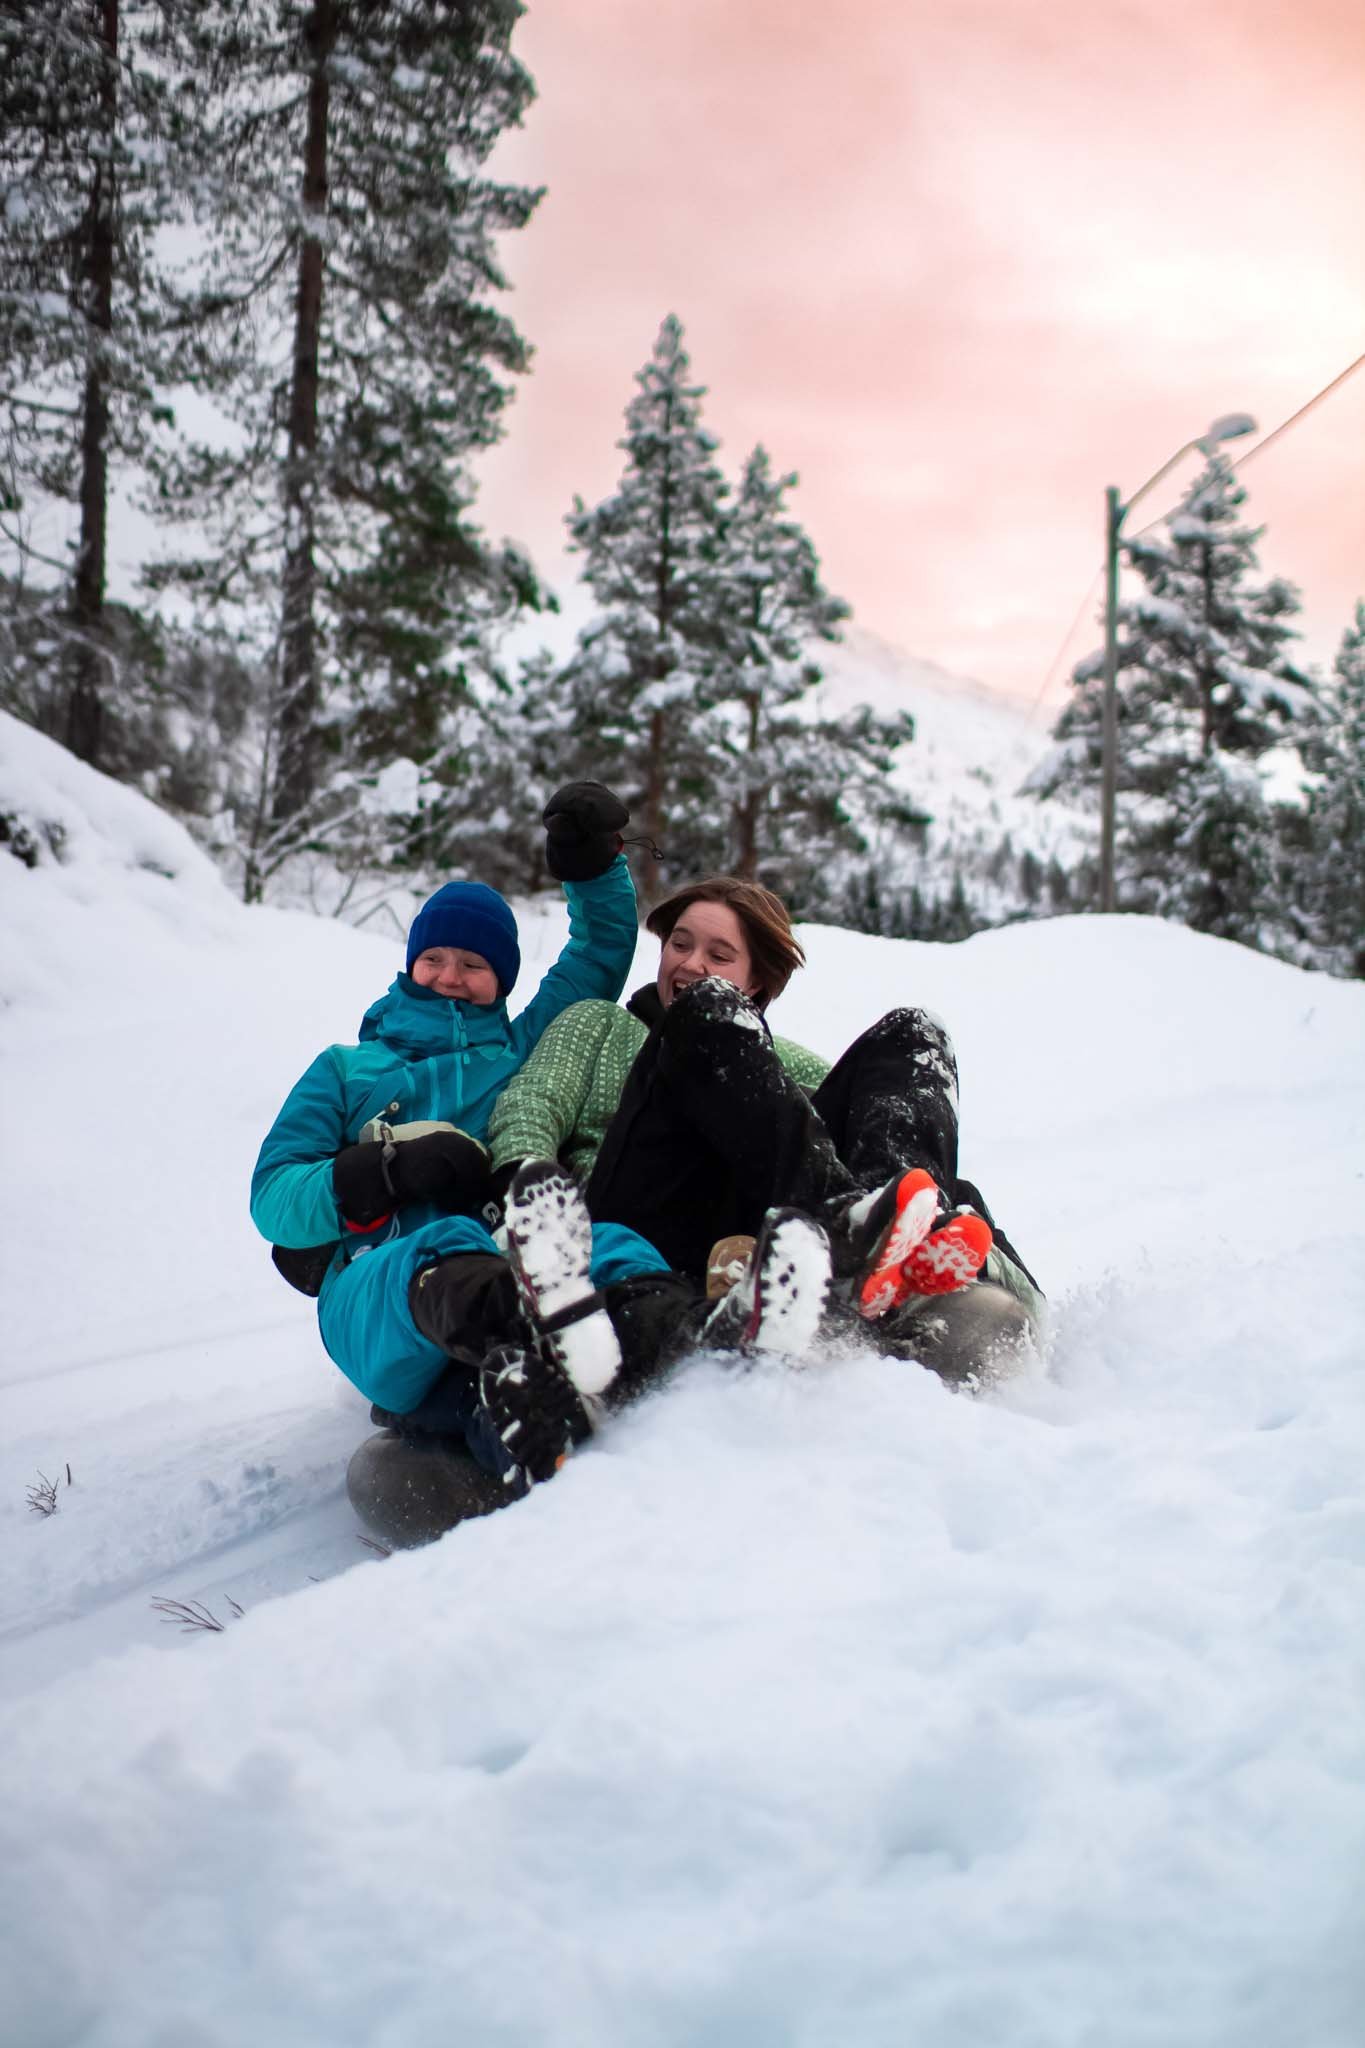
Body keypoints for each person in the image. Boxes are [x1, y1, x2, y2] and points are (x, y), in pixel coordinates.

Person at [250, 783, 664, 1470]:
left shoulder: (522, 1049)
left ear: (500, 980)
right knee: (443, 1244)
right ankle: (542, 1333)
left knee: (611, 1243)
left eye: (474, 965)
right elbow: (274, 1197)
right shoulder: (347, 1070)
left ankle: (668, 1346)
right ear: (411, 961)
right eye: (435, 958)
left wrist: (592, 866)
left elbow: (596, 953)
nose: (451, 975)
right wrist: (377, 1171)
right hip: (375, 1296)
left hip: (507, 1265)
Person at [487, 876, 1043, 1353]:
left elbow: (867, 1119)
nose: (690, 962)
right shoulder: (597, 1024)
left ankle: (898, 1246)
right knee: (704, 1009)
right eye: (679, 944)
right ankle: (848, 1230)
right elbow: (533, 1105)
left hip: (752, 1227)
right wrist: (525, 1202)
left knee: (915, 1033)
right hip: (634, 1219)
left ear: (756, 982)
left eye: (718, 955)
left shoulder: (784, 1064)